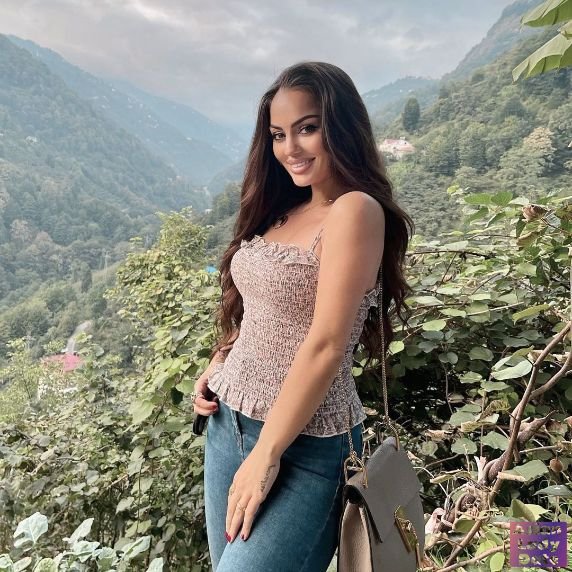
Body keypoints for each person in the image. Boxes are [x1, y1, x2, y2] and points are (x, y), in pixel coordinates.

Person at [191, 61, 413, 572]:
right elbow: (265, 311)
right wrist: (221, 361)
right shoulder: (283, 210)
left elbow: (326, 343)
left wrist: (265, 456)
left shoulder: (355, 210)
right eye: (278, 134)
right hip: (227, 426)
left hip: (306, 446)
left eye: (307, 128)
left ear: (341, 127)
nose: (290, 147)